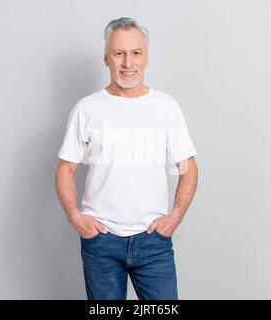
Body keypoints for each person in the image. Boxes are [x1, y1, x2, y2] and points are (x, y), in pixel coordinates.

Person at [55, 17, 198, 300]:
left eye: (136, 53)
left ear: (146, 58)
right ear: (106, 58)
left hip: (153, 241)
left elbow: (189, 168)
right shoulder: (87, 109)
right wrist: (74, 215)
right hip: (101, 242)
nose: (128, 63)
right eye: (119, 53)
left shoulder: (166, 108)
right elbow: (65, 169)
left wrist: (176, 217)